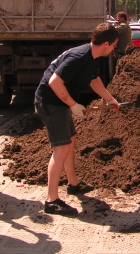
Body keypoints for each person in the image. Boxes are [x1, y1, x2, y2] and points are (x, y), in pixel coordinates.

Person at [35, 23, 120, 216]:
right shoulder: (80, 57)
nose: (114, 49)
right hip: (49, 102)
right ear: (106, 43)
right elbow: (54, 82)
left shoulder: (92, 56)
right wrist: (73, 104)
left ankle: (73, 184)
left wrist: (111, 99)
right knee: (61, 147)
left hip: (59, 102)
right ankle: (51, 200)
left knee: (70, 140)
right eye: (114, 45)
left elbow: (93, 80)